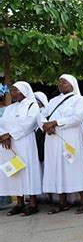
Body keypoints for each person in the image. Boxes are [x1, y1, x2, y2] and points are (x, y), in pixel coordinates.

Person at [39, 74, 83, 214]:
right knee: (57, 168)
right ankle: (62, 202)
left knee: (75, 166)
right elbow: (42, 114)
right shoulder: (53, 100)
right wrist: (45, 125)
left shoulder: (79, 99)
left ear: (72, 85)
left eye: (64, 82)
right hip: (53, 139)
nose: (61, 84)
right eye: (60, 82)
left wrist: (55, 123)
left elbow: (78, 117)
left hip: (71, 138)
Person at [0, 82, 42, 216]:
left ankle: (33, 203)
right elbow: (2, 123)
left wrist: (10, 134)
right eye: (11, 91)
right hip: (9, 145)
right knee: (15, 172)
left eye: (15, 90)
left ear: (23, 91)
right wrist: (3, 136)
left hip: (25, 143)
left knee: (27, 171)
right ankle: (19, 203)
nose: (12, 93)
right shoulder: (9, 108)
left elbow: (29, 123)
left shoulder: (32, 105)